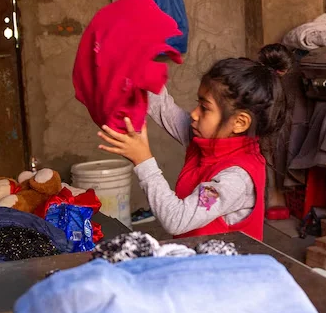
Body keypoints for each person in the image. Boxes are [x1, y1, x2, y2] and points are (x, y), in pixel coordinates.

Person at [98, 45, 292, 241]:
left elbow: (177, 219)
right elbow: (164, 108)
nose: (194, 114)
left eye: (204, 108)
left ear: (239, 122)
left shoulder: (235, 178)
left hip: (221, 261)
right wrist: (139, 68)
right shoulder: (205, 138)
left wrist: (143, 161)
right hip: (194, 253)